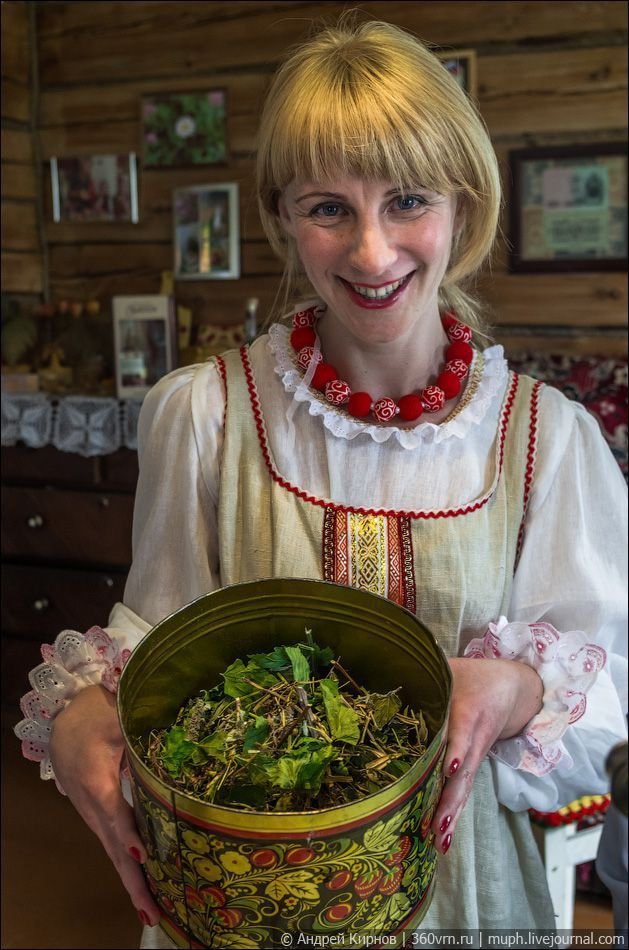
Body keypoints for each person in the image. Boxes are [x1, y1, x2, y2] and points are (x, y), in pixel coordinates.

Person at [15, 16, 627, 948]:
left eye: (408, 200)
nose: (371, 253)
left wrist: (516, 691)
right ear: (282, 219)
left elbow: (605, 702)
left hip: (461, 891)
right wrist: (84, 718)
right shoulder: (206, 414)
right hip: (244, 900)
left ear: (464, 205)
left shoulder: (546, 439)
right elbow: (155, 653)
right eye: (327, 207)